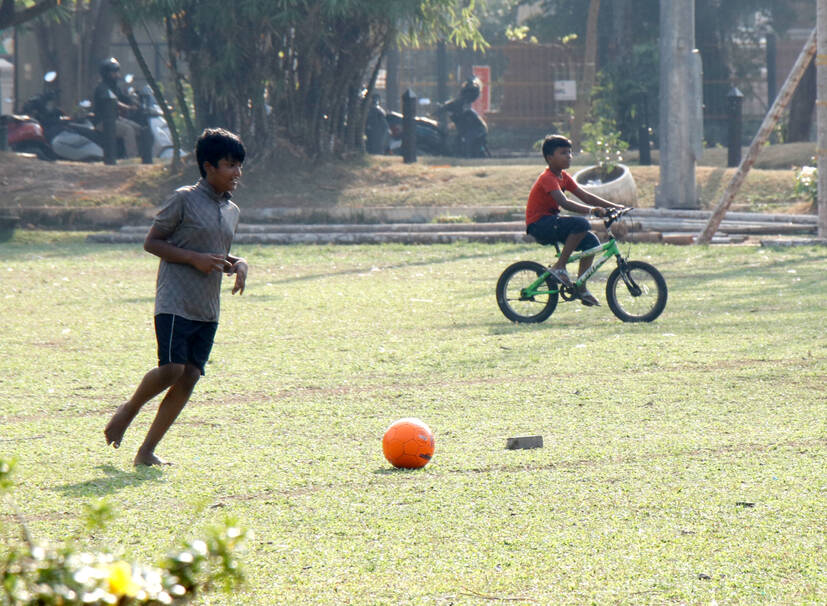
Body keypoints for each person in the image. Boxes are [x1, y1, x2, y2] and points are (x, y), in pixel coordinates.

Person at [104, 128, 248, 466]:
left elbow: (215, 254)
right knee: (171, 369)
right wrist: (193, 259)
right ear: (208, 166)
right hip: (175, 300)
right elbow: (152, 242)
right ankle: (129, 409)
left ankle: (146, 452)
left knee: (190, 376)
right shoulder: (183, 199)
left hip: (207, 306)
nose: (237, 172)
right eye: (230, 165)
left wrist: (238, 263)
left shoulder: (232, 210)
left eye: (239, 165)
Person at [526, 134, 624, 306]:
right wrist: (592, 211)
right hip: (539, 224)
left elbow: (586, 196)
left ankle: (581, 287)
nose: (569, 156)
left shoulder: (564, 177)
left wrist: (615, 207)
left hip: (552, 222)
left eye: (570, 152)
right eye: (563, 153)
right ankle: (559, 267)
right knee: (581, 223)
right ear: (549, 157)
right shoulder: (548, 178)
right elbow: (564, 202)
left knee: (592, 243)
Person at [93, 57, 141, 158]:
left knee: (138, 129)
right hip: (103, 122)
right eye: (114, 72)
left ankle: (141, 155)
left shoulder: (114, 87)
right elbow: (114, 102)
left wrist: (135, 102)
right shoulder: (102, 88)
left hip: (115, 119)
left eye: (117, 72)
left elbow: (124, 97)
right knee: (128, 130)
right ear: (106, 73)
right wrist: (128, 108)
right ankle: (132, 157)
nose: (117, 75)